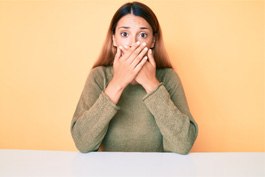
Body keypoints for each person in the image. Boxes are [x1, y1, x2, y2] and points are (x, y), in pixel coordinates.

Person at [71, 1, 198, 154]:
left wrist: (151, 84)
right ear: (114, 39)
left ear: (153, 41)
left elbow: (183, 144)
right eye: (125, 34)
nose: (133, 43)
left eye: (143, 35)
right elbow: (82, 143)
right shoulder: (99, 77)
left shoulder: (168, 77)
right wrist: (117, 84)